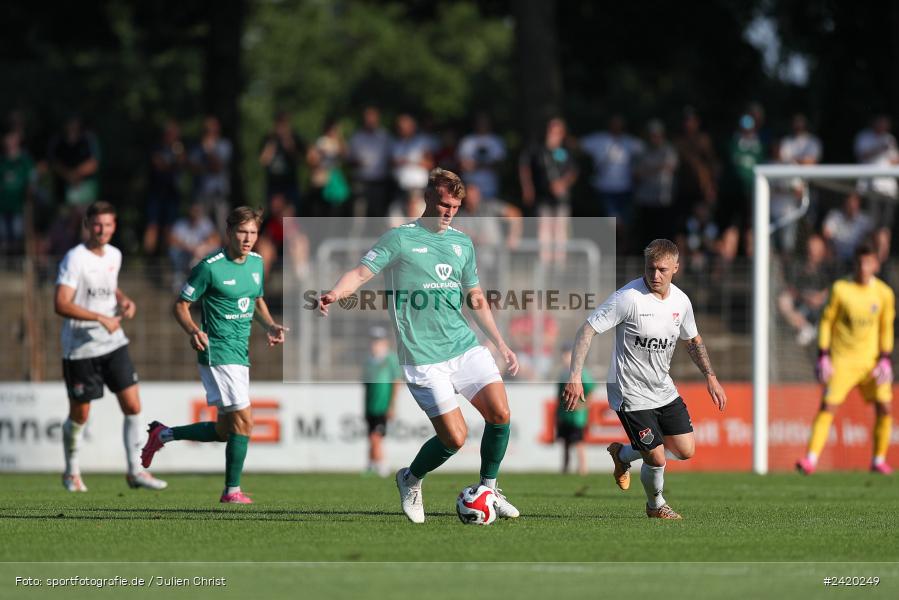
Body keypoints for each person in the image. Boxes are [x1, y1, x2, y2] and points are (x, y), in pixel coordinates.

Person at [319, 168, 521, 524]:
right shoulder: (400, 239)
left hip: (463, 346)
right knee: (454, 439)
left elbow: (474, 296)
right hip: (422, 357)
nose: (448, 212)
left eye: (455, 206)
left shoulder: (462, 243)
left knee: (501, 415)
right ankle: (410, 479)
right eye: (444, 204)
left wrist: (500, 343)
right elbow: (361, 273)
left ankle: (488, 488)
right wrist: (335, 293)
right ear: (428, 198)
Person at [563, 239, 727, 519]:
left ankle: (623, 455)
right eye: (650, 268)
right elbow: (587, 329)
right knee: (657, 457)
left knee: (685, 450)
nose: (655, 275)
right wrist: (575, 374)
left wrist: (710, 376)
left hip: (663, 388)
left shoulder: (681, 302)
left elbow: (692, 340)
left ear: (676, 267)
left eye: (662, 269)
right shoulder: (628, 298)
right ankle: (656, 506)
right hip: (629, 391)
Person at [141, 206, 288, 504]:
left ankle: (163, 434)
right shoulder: (210, 266)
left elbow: (256, 299)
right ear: (229, 232)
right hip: (217, 351)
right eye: (242, 232)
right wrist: (194, 331)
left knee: (225, 430)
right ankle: (231, 490)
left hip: (240, 352)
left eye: (253, 233)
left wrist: (270, 324)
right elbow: (180, 305)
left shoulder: (257, 263)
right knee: (245, 421)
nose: (248, 239)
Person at [54, 201, 167, 492]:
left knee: (133, 405)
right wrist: (99, 317)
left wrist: (123, 301)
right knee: (80, 414)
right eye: (96, 224)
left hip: (113, 342)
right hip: (80, 348)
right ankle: (71, 471)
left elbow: (108, 286)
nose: (102, 230)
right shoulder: (74, 259)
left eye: (107, 224)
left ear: (114, 226)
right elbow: (61, 303)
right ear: (87, 225)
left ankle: (135, 471)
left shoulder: (114, 254)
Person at [797, 243, 895, 475]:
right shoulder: (841, 288)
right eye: (860, 262)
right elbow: (827, 322)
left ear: (876, 264)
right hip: (843, 360)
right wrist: (823, 355)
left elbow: (886, 328)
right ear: (855, 264)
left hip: (872, 362)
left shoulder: (884, 293)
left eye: (868, 262)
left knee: (885, 407)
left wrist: (885, 358)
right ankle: (810, 459)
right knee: (827, 406)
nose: (863, 267)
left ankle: (878, 459)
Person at [362, 326, 403, 477]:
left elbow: (396, 381)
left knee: (376, 437)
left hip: (382, 405)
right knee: (371, 437)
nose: (375, 344)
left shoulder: (390, 359)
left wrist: (392, 405)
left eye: (378, 340)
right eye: (373, 341)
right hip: (370, 406)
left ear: (385, 342)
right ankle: (371, 465)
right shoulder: (368, 361)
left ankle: (382, 466)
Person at [144, 120, 187, 255]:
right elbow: (159, 165)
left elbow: (183, 163)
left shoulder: (178, 148)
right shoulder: (157, 148)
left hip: (172, 193)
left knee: (170, 228)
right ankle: (150, 258)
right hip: (156, 192)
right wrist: (174, 164)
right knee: (152, 226)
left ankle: (166, 258)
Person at [347, 106, 394, 219]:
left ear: (378, 119)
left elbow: (391, 158)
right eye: (367, 118)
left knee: (378, 212)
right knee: (359, 212)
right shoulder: (357, 137)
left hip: (379, 181)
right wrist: (356, 163)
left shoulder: (385, 137)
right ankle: (357, 235)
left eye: (372, 117)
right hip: (361, 181)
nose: (370, 120)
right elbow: (349, 160)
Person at [555, 343, 594, 475]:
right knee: (565, 443)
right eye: (563, 354)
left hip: (577, 417)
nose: (564, 357)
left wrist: (582, 406)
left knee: (579, 442)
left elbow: (590, 392)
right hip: (565, 415)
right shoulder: (562, 373)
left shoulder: (581, 373)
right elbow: (559, 397)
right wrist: (558, 414)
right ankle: (565, 470)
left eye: (567, 354)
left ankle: (583, 470)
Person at [189, 116, 232, 234]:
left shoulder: (224, 145)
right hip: (201, 194)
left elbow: (217, 166)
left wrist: (208, 151)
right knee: (201, 230)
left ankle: (225, 252)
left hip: (219, 194)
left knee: (223, 228)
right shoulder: (196, 147)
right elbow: (193, 168)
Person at [168, 201, 220, 291]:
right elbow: (172, 239)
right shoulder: (181, 223)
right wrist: (188, 247)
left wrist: (203, 246)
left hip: (199, 253)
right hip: (184, 252)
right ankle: (179, 280)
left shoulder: (205, 222)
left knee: (215, 250)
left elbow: (215, 238)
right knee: (174, 251)